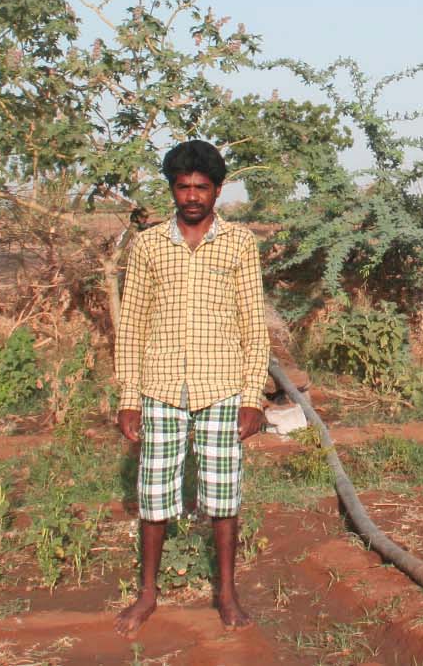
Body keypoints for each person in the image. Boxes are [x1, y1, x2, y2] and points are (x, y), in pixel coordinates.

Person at [114, 140, 269, 637]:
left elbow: (253, 324)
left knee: (222, 498)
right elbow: (132, 323)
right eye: (184, 187)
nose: (193, 196)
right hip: (160, 387)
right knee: (154, 496)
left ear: (218, 190)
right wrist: (128, 397)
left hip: (221, 387)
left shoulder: (240, 244)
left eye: (202, 187)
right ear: (172, 190)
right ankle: (147, 594)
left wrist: (252, 397)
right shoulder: (149, 245)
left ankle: (225, 593)